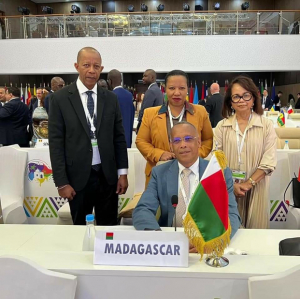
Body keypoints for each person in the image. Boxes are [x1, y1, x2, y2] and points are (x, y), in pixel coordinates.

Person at [48, 47, 128, 226]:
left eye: (96, 66)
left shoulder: (110, 99)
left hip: (107, 177)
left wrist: (122, 173)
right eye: (86, 65)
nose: (91, 70)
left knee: (108, 231)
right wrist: (62, 183)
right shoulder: (60, 99)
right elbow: (56, 143)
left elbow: (119, 138)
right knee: (80, 230)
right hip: (77, 179)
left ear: (101, 69)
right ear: (77, 66)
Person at [133, 122, 241, 239]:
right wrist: (160, 239)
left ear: (199, 142)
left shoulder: (218, 173)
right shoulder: (159, 173)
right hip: (171, 242)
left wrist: (212, 240)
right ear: (171, 146)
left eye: (188, 139)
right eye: (177, 141)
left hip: (206, 240)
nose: (183, 145)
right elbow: (143, 210)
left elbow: (231, 214)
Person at [214, 75, 277, 229]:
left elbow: (269, 161)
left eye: (246, 95)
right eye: (236, 97)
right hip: (227, 190)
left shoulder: (266, 125)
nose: (241, 100)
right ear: (230, 102)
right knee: (228, 235)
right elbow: (216, 160)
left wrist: (249, 183)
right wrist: (232, 185)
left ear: (254, 99)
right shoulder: (222, 126)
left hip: (257, 189)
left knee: (256, 236)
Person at [136, 70, 213, 187]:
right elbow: (141, 141)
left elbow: (208, 140)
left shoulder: (200, 112)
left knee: (191, 205)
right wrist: (159, 154)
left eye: (182, 88)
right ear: (165, 89)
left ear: (187, 89)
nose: (177, 93)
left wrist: (194, 155)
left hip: (192, 173)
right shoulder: (150, 114)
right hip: (160, 173)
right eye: (172, 88)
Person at [107, 69, 135, 148]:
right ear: (121, 80)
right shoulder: (129, 95)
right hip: (127, 137)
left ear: (109, 81)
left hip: (115, 140)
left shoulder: (110, 96)